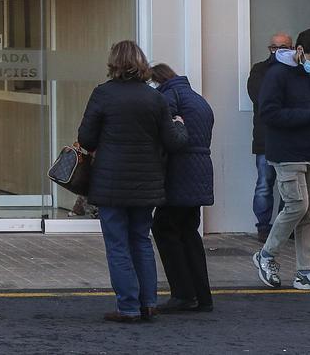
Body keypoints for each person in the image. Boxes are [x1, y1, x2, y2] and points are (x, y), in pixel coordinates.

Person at [77, 41, 188, 323]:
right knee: (140, 240)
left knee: (117, 245)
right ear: (142, 64)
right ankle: (148, 303)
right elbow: (173, 142)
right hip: (147, 183)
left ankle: (127, 306)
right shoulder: (155, 98)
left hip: (110, 183)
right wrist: (179, 124)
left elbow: (87, 139)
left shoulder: (103, 94)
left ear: (113, 62)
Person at [252, 28, 310, 292]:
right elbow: (268, 114)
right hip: (287, 152)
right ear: (299, 50)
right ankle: (266, 255)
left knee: (309, 213)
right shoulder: (277, 74)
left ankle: (306, 272)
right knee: (297, 206)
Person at [148, 64, 215, 313]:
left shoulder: (169, 97)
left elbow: (169, 135)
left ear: (156, 81)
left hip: (179, 172)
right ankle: (202, 295)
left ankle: (183, 294)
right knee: (189, 232)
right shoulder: (197, 98)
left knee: (165, 228)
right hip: (199, 171)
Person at [248, 32, 293, 241]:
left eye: (283, 47)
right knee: (264, 184)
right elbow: (260, 97)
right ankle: (263, 228)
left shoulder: (297, 71)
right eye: (274, 47)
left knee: (289, 186)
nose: (278, 51)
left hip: (290, 138)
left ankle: (285, 227)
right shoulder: (259, 70)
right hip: (265, 138)